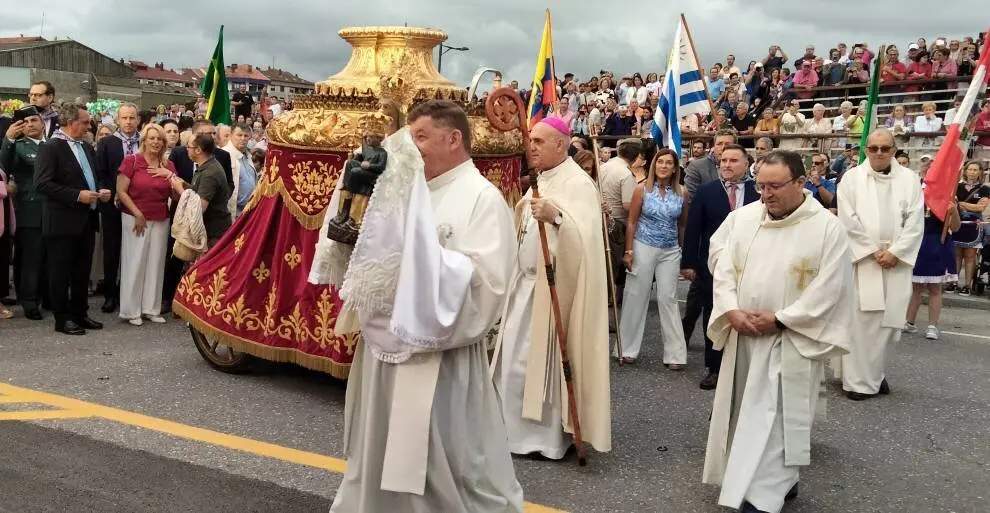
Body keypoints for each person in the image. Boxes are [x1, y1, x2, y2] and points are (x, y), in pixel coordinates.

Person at [324, 100, 524, 512]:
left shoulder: (482, 198)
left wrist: (417, 257)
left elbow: (488, 285)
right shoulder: (399, 189)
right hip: (383, 348)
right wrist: (352, 215)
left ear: (454, 139)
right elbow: (361, 266)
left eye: (421, 137)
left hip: (438, 358)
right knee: (376, 448)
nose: (411, 148)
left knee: (444, 462)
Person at [703, 150, 853, 513]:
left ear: (800, 183)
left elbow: (832, 286)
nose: (766, 194)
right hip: (744, 335)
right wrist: (731, 310)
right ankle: (781, 483)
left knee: (777, 416)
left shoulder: (826, 228)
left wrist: (783, 317)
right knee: (746, 412)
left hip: (790, 336)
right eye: (760, 185)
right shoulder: (743, 219)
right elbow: (721, 265)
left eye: (775, 186)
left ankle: (764, 494)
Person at [493, 116, 610, 460]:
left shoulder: (578, 183)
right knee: (512, 362)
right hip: (525, 286)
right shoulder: (540, 180)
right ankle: (510, 433)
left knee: (538, 366)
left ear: (562, 144)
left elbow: (587, 241)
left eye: (540, 142)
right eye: (531, 141)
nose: (532, 147)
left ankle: (544, 440)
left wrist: (558, 217)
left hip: (553, 290)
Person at [835, 128, 924, 401]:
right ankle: (858, 382)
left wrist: (896, 251)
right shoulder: (851, 179)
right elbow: (848, 220)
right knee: (863, 322)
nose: (879, 153)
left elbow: (915, 220)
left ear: (894, 149)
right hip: (865, 261)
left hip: (896, 261)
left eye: (885, 148)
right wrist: (873, 251)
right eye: (873, 148)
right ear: (865, 150)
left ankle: (875, 373)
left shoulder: (909, 179)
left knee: (890, 323)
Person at [681, 144, 759, 390]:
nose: (727, 165)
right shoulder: (707, 191)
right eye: (723, 160)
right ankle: (713, 368)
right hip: (712, 266)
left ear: (746, 164)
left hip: (751, 265)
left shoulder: (758, 191)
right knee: (713, 315)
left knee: (746, 312)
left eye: (733, 160)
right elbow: (693, 229)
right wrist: (689, 263)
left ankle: (744, 367)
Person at [34, 102, 112, 335]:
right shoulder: (51, 147)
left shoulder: (86, 147)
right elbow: (42, 184)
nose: (89, 127)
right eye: (85, 122)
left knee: (81, 270)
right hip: (61, 221)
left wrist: (100, 190)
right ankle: (62, 318)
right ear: (70, 122)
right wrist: (78, 196)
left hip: (85, 220)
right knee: (60, 272)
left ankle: (80, 313)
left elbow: (91, 176)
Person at [617, 148, 688, 367]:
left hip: (670, 250)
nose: (664, 166)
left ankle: (675, 354)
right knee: (636, 295)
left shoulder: (682, 193)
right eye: (660, 162)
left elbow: (682, 224)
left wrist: (683, 253)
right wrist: (629, 251)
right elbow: (632, 221)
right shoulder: (642, 190)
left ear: (675, 167)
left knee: (668, 297)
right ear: (653, 165)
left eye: (668, 163)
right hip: (643, 245)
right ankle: (626, 349)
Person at [115, 123, 177, 326]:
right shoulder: (131, 161)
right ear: (144, 140)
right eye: (152, 138)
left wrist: (171, 177)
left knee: (156, 262)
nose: (156, 142)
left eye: (159, 139)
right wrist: (137, 213)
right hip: (135, 217)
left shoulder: (168, 165)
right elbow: (121, 191)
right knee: (135, 261)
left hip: (160, 216)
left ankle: (151, 308)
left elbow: (176, 194)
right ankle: (131, 310)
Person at [0, 106, 47, 320]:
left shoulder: (53, 145)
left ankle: (47, 297)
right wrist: (8, 140)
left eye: (33, 120)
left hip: (52, 209)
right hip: (29, 207)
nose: (29, 124)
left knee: (48, 257)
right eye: (25, 121)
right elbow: (4, 166)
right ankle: (29, 300)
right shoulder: (18, 147)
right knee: (30, 258)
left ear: (42, 123)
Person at [94, 102, 141, 313]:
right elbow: (101, 172)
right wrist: (106, 192)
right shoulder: (107, 143)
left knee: (134, 251)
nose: (129, 122)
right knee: (112, 250)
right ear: (117, 120)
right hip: (113, 205)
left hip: (139, 206)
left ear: (138, 119)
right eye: (124, 118)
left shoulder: (145, 141)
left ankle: (127, 292)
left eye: (132, 117)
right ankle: (110, 294)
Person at [904, 191, 961, 340]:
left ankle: (932, 326)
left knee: (934, 288)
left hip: (937, 243)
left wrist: (953, 211)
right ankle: (909, 322)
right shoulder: (915, 193)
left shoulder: (949, 195)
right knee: (916, 286)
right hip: (918, 243)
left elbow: (955, 227)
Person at [168, 134, 232, 248]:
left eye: (189, 147)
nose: (186, 149)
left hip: (213, 235)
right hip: (208, 231)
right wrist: (184, 184)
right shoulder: (205, 166)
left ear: (198, 150)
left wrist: (180, 190)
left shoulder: (210, 173)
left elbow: (199, 208)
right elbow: (196, 192)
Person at [953, 161, 989, 296]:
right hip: (958, 223)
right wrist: (969, 206)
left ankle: (967, 285)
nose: (973, 172)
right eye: (970, 169)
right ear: (966, 171)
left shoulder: (984, 189)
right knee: (956, 256)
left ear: (980, 172)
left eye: (976, 170)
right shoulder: (957, 186)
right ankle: (954, 282)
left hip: (974, 226)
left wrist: (961, 203)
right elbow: (952, 204)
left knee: (970, 257)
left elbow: (981, 207)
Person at [222, 123, 257, 219]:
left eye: (246, 136)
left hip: (248, 212)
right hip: (232, 212)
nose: (243, 138)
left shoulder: (247, 155)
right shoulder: (224, 154)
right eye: (239, 135)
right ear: (231, 135)